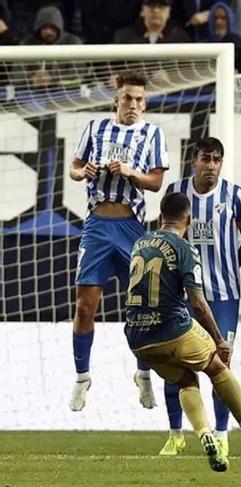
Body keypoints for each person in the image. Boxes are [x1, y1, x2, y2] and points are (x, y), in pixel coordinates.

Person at [125, 192, 241, 472]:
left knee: (187, 379)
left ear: (161, 216)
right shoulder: (184, 249)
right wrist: (218, 340)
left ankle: (205, 435)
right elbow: (199, 304)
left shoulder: (139, 244)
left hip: (138, 339)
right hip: (172, 329)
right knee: (215, 367)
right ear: (188, 219)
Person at [68, 71, 168, 412]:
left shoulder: (153, 134)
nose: (134, 105)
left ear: (146, 103)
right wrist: (84, 172)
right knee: (84, 306)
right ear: (117, 99)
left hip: (132, 227)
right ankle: (82, 378)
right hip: (97, 226)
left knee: (142, 308)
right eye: (128, 98)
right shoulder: (95, 128)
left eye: (140, 100)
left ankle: (143, 374)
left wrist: (131, 173)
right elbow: (75, 167)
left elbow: (155, 182)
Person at [159, 138, 241, 456]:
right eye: (206, 158)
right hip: (181, 295)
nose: (211, 165)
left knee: (220, 362)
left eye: (217, 159)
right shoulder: (176, 192)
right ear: (193, 161)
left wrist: (231, 264)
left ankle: (221, 433)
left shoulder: (236, 196)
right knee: (175, 361)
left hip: (223, 294)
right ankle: (175, 434)